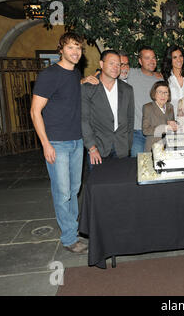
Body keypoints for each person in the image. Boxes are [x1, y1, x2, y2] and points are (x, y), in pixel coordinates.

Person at [30, 32, 89, 254]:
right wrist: (46, 144)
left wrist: (85, 80)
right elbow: (35, 111)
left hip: (76, 141)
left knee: (74, 190)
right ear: (61, 49)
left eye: (79, 48)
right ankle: (69, 238)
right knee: (62, 191)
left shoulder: (75, 75)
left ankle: (72, 230)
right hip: (57, 143)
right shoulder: (48, 75)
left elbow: (68, 94)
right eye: (71, 47)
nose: (76, 52)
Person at [81, 50, 135, 168]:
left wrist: (128, 144)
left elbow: (130, 119)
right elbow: (84, 120)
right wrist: (92, 148)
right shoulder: (88, 88)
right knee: (99, 185)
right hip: (98, 149)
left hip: (122, 148)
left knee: (121, 184)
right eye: (111, 63)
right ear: (101, 64)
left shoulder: (127, 89)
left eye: (118, 64)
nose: (115, 67)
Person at [126, 46, 163, 157]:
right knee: (137, 166)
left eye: (153, 58)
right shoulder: (131, 74)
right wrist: (89, 78)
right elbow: (109, 72)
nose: (152, 61)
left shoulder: (160, 79)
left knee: (156, 165)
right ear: (140, 61)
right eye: (147, 58)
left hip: (155, 132)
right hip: (137, 131)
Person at [142, 81, 177, 152]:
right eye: (160, 92)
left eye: (165, 92)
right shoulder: (147, 107)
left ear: (168, 95)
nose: (163, 95)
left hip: (169, 148)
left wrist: (175, 125)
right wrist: (165, 128)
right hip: (153, 148)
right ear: (154, 94)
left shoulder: (170, 107)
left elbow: (171, 126)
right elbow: (145, 130)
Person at [161, 45, 184, 116]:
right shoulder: (165, 79)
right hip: (172, 121)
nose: (179, 60)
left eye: (180, 56)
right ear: (169, 60)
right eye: (175, 57)